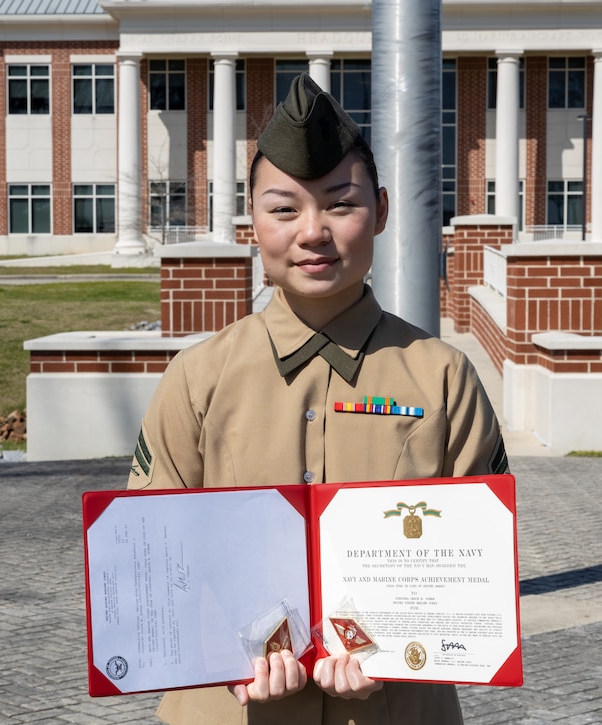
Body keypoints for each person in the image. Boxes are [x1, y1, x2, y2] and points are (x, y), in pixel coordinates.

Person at [127, 73, 509, 725]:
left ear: (382, 211)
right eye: (284, 208)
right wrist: (231, 659)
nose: (313, 232)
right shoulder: (197, 380)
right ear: (253, 222)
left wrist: (391, 652)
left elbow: (479, 569)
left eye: (339, 203)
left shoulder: (443, 379)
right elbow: (148, 564)